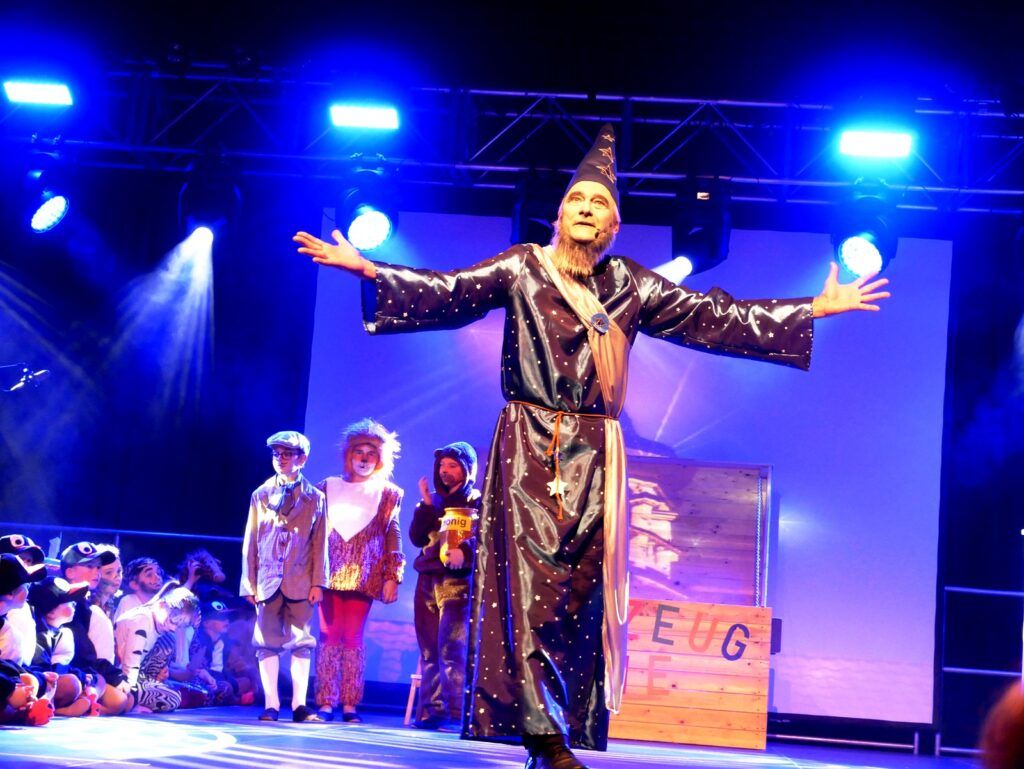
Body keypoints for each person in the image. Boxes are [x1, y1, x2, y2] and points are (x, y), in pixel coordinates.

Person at [294, 124, 890, 769]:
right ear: (558, 215)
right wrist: (370, 269)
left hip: (597, 451)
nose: (585, 208)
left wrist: (810, 310)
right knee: (528, 589)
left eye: (598, 203)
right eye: (576, 199)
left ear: (613, 224)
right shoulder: (524, 266)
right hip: (529, 444)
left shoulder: (631, 284)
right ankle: (541, 736)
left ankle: (557, 724)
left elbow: (713, 318)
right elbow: (453, 291)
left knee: (575, 593)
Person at [313, 418, 405, 723]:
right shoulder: (327, 487)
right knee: (329, 635)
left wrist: (392, 576)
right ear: (349, 455)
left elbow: (392, 534)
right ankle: (326, 702)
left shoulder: (387, 493)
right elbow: (314, 532)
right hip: (328, 573)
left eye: (371, 454)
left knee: (352, 637)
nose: (364, 459)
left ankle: (350, 704)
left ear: (380, 459)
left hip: (364, 574)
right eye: (359, 452)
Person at [240, 430, 328, 723]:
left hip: (301, 580)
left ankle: (300, 705)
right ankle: (271, 704)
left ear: (302, 459)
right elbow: (251, 541)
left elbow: (320, 543)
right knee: (266, 642)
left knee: (301, 642)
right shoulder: (261, 494)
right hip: (267, 581)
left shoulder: (315, 498)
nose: (280, 459)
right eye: (276, 454)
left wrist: (318, 582)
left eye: (287, 454)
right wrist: (248, 583)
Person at [409, 441, 481, 731]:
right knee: (428, 650)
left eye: (452, 465)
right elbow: (416, 538)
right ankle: (432, 711)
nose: (445, 471)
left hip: (457, 581)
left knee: (453, 649)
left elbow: (485, 537)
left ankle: (455, 712)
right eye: (442, 465)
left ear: (466, 469)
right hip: (427, 579)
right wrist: (426, 505)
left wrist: (465, 552)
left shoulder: (476, 501)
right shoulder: (433, 501)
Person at [114, 586, 199, 712]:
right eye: (173, 622)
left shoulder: (155, 621)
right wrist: (131, 696)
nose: (173, 628)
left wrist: (156, 678)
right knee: (174, 697)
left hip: (136, 675)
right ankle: (130, 700)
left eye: (178, 626)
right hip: (119, 676)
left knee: (188, 691)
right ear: (161, 606)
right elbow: (130, 664)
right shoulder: (142, 620)